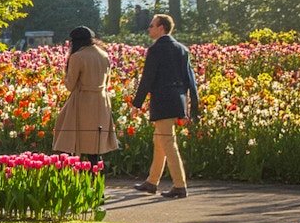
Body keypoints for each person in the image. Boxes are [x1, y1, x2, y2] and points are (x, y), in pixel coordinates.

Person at [130, 14, 200, 198]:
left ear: (161, 28)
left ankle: (179, 185)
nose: (149, 29)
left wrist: (136, 103)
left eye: (152, 25)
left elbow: (147, 79)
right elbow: (189, 79)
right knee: (159, 140)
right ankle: (152, 182)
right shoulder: (182, 49)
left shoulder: (155, 50)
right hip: (178, 99)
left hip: (162, 100)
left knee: (168, 142)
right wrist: (190, 104)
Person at [52, 26, 119, 171]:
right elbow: (107, 82)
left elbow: (70, 85)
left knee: (69, 135)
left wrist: (66, 72)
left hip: (83, 101)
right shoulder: (103, 55)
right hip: (101, 102)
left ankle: (68, 173)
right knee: (95, 144)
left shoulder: (78, 57)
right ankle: (96, 178)